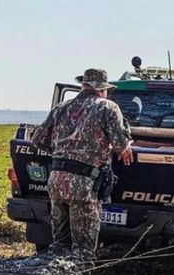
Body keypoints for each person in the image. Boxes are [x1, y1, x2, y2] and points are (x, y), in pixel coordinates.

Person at [31, 68, 134, 262]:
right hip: (83, 183)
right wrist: (127, 144)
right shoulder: (107, 107)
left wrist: (62, 152)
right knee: (83, 250)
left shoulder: (61, 107)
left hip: (56, 179)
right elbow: (120, 145)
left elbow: (37, 139)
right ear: (102, 89)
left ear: (83, 85)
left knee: (59, 245)